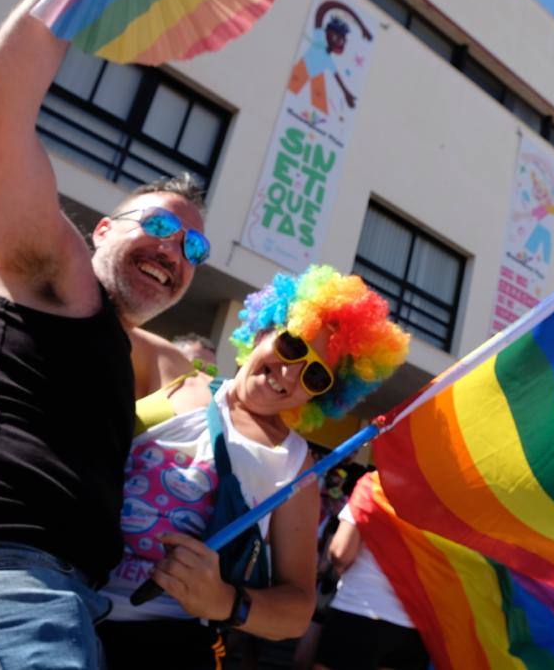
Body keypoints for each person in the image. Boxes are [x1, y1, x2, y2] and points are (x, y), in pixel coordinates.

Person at [0, 0, 210, 667]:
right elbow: (3, 110)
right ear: (101, 231)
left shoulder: (94, 323)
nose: (175, 253)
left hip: (23, 596)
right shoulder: (64, 271)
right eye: (163, 227)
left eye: (193, 251)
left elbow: (1, 250)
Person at [97, 264, 410, 669]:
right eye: (292, 346)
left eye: (315, 375)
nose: (289, 371)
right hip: (59, 598)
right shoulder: (168, 373)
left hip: (160, 645)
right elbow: (79, 316)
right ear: (266, 329)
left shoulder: (296, 464)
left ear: (319, 396)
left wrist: (224, 601)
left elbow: (297, 609)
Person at [314, 472, 429, 670]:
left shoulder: (373, 485)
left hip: (358, 611)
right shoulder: (442, 497)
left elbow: (341, 552)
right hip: (414, 626)